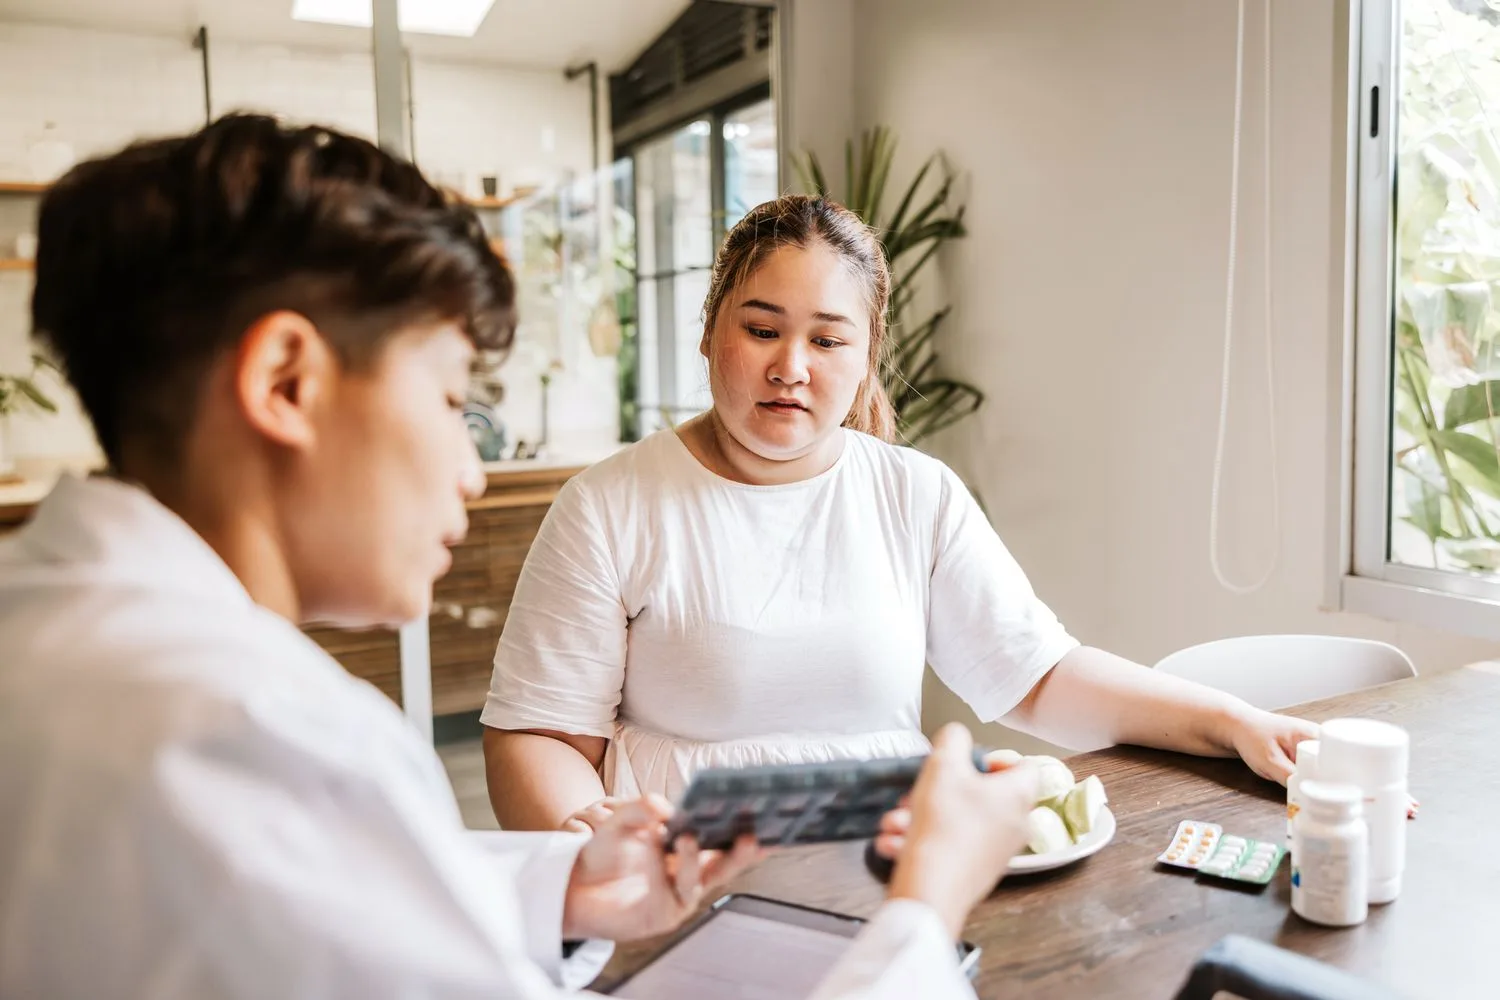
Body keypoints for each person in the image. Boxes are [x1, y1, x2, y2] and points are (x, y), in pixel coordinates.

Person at [0, 116, 1036, 999]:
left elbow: (330, 901)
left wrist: (557, 890)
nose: (468, 471)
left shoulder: (59, 641)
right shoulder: (254, 737)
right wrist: (927, 912)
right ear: (285, 381)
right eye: (453, 401)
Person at [482, 194, 1319, 834]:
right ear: (710, 333)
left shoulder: (915, 494)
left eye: (826, 340)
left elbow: (1037, 674)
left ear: (866, 355)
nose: (791, 367)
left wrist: (1231, 720)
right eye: (762, 329)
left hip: (884, 865)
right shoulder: (610, 504)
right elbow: (542, 735)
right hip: (682, 881)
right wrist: (585, 838)